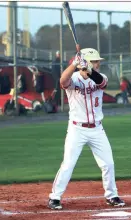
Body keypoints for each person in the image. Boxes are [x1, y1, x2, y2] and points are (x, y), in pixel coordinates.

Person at [48, 47, 125, 210]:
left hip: (97, 129)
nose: (98, 64)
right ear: (88, 61)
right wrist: (74, 64)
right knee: (68, 163)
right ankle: (55, 197)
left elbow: (101, 82)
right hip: (77, 129)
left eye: (97, 62)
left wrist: (88, 70)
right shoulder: (74, 78)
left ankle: (112, 195)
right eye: (95, 61)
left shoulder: (100, 77)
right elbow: (62, 81)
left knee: (108, 163)